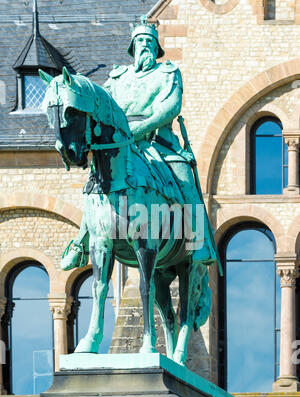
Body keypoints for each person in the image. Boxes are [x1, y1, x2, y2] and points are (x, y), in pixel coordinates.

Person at [61, 17, 219, 270]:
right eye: (140, 41)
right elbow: (100, 104)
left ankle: (199, 242)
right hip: (120, 143)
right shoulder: (117, 77)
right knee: (95, 184)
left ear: (156, 48)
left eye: (149, 42)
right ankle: (80, 244)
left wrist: (139, 130)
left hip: (158, 142)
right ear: (132, 47)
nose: (145, 45)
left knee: (184, 175)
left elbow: (170, 108)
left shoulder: (167, 72)